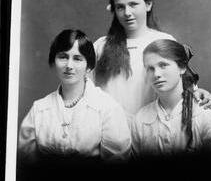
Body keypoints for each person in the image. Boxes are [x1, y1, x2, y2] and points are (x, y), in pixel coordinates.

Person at [92, 0, 211, 124]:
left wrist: (198, 93)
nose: (127, 13)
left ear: (148, 4)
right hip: (110, 132)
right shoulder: (101, 46)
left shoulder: (163, 41)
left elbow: (181, 85)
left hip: (151, 129)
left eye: (133, 4)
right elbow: (86, 90)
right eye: (120, 7)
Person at [18, 29, 131, 162]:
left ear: (88, 66)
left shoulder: (107, 108)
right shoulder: (40, 108)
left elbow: (117, 162)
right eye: (63, 57)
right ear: (54, 62)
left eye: (77, 59)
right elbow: (26, 163)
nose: (69, 66)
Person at [132, 39, 211, 156]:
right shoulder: (140, 119)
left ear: (182, 68)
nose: (156, 74)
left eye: (163, 65)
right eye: (150, 68)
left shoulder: (205, 113)